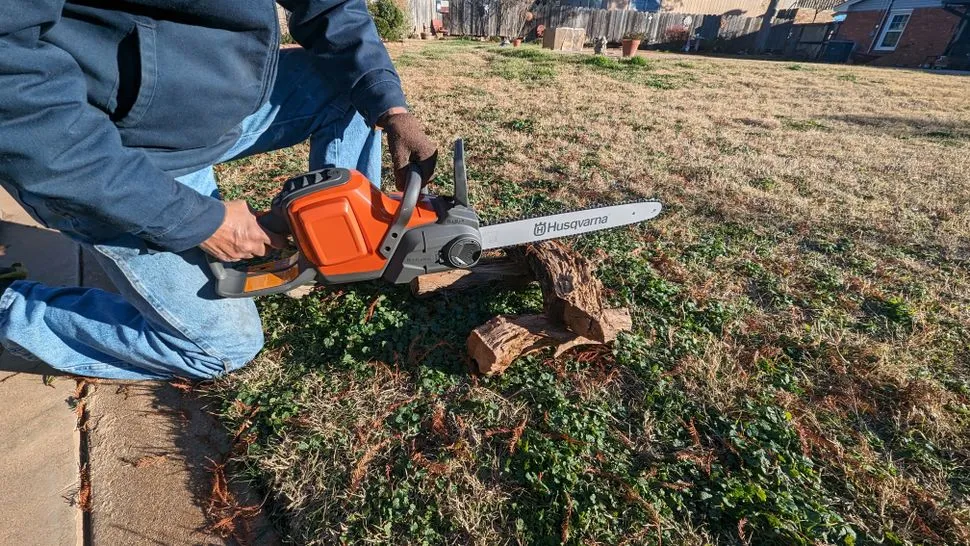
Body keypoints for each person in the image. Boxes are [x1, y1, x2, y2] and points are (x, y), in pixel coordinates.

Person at [0, 1, 438, 380]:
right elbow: (18, 104)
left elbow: (331, 7)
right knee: (220, 348)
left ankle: (344, 248)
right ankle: (9, 310)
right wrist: (197, 221)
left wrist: (390, 107)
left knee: (351, 90)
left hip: (212, 111)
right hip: (112, 156)